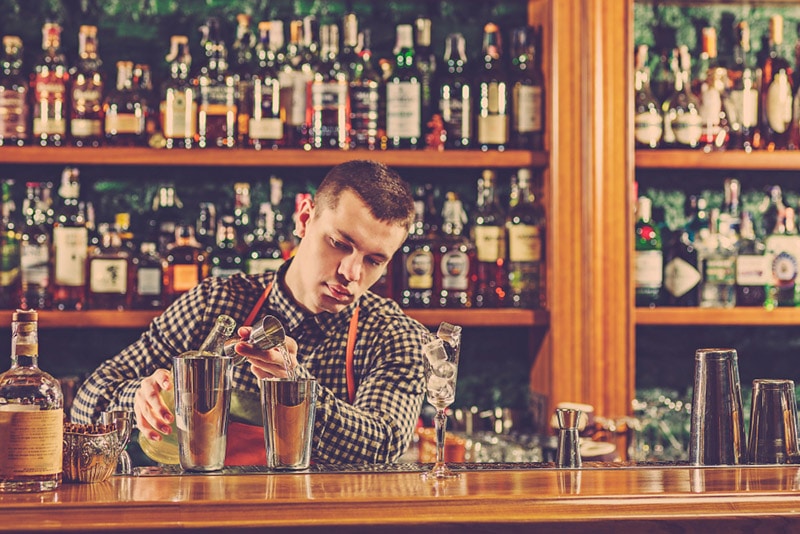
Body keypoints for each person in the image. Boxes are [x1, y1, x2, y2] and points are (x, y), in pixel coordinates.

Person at [71, 160, 429, 464]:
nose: (351, 272)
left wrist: (296, 391)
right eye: (339, 243)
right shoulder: (215, 303)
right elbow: (88, 400)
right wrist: (138, 399)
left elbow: (384, 444)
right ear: (304, 219)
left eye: (374, 260)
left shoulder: (395, 335)